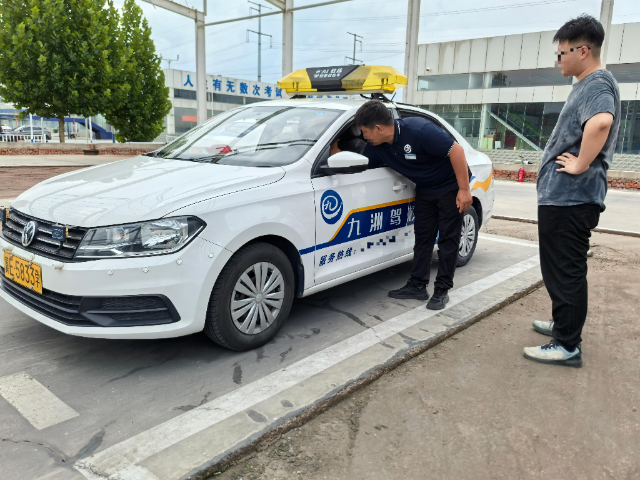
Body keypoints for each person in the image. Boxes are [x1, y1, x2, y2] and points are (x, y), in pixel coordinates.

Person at [523, 15, 620, 368]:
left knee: (565, 270)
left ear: (582, 51)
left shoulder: (596, 84)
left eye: (561, 53)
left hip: (571, 198)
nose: (558, 60)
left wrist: (579, 164)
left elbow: (601, 122)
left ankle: (567, 345)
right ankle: (563, 325)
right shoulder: (586, 83)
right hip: (563, 197)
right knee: (559, 269)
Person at [331, 100, 472, 310]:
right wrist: (335, 150)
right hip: (425, 189)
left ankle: (442, 290)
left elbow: (456, 151)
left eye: (364, 132)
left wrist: (464, 189)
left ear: (378, 128)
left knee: (448, 240)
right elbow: (355, 163)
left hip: (449, 187)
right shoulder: (377, 148)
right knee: (423, 238)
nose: (363, 137)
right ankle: (417, 285)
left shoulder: (419, 130)